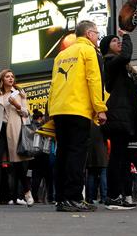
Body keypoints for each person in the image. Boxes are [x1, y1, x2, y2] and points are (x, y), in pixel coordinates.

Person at [48, 20, 108, 213]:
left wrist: (51, 111)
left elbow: (53, 85)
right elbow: (94, 79)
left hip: (59, 110)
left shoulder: (61, 55)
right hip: (78, 109)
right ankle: (73, 198)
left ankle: (61, 199)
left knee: (63, 154)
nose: (98, 37)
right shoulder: (89, 51)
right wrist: (100, 108)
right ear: (89, 34)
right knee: (77, 154)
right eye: (97, 34)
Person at [99, 31, 137, 210]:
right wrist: (127, 36)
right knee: (117, 159)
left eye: (119, 39)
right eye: (115, 41)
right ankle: (113, 197)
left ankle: (118, 196)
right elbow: (126, 54)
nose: (119, 42)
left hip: (128, 118)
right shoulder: (110, 63)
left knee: (121, 159)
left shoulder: (125, 70)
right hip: (118, 117)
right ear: (107, 48)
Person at [0, 69, 33, 208]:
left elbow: (26, 113)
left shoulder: (19, 93)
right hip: (0, 132)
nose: (10, 78)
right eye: (7, 76)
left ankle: (27, 192)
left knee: (18, 164)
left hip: (14, 130)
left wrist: (17, 104)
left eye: (12, 76)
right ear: (2, 80)